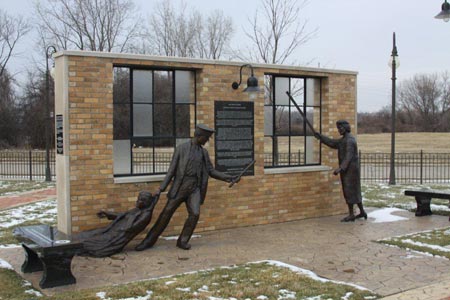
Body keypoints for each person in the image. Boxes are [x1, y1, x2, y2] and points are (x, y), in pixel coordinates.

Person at [135, 124, 238, 251]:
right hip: (180, 187)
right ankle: (148, 241)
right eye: (206, 138)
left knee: (194, 214)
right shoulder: (181, 149)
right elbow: (171, 171)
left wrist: (229, 177)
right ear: (199, 136)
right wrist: (161, 188)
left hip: (194, 189)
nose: (207, 141)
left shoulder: (203, 153)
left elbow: (211, 171)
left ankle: (182, 241)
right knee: (165, 215)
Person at [73, 191, 157, 257]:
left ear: (146, 202)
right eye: (138, 199)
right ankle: (68, 245)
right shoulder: (137, 210)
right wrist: (107, 213)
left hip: (115, 237)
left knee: (87, 241)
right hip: (109, 230)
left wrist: (132, 216)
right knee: (84, 234)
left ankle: (69, 249)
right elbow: (122, 216)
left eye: (141, 200)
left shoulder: (145, 215)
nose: (138, 201)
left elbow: (130, 228)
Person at [314, 120, 367, 222]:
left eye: (340, 128)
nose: (339, 130)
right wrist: (320, 137)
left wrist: (340, 168)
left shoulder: (350, 141)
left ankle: (352, 214)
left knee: (350, 191)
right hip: (349, 170)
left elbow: (348, 156)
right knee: (354, 191)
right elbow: (332, 143)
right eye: (338, 128)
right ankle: (362, 212)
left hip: (350, 170)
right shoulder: (344, 140)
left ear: (346, 127)